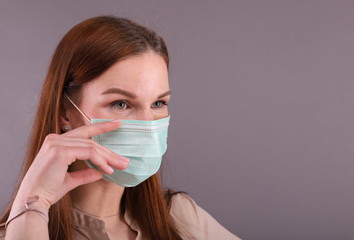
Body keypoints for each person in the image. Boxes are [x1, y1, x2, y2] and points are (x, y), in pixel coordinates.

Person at [0, 16, 240, 240]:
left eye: (158, 103)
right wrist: (33, 205)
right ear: (65, 113)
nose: (148, 125)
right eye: (121, 104)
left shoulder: (180, 216)